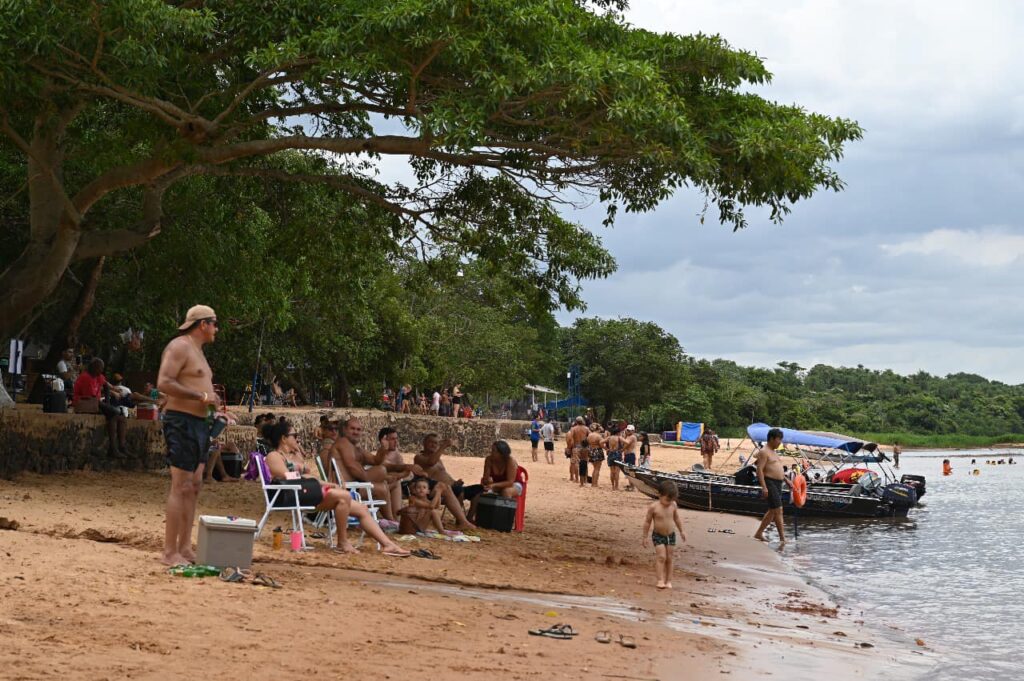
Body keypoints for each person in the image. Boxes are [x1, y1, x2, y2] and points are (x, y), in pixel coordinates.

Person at [262, 419, 409, 556]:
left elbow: (307, 478)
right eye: (294, 435)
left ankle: (388, 544)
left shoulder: (295, 457)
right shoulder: (274, 456)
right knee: (344, 496)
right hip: (290, 495)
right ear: (283, 439)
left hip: (306, 493)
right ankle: (342, 542)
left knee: (361, 509)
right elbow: (287, 477)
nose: (298, 438)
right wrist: (300, 469)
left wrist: (328, 484)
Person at [156, 305, 222, 566]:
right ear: (203, 324)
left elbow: (198, 386)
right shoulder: (180, 346)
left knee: (194, 486)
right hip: (180, 421)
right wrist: (199, 396)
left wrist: (212, 405)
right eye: (215, 323)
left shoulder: (199, 353)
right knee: (180, 485)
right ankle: (169, 551)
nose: (217, 329)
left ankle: (184, 547)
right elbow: (164, 382)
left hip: (200, 422)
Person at [330, 417, 399, 521]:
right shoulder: (343, 442)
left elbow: (376, 461)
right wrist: (370, 479)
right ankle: (390, 520)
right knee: (382, 487)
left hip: (353, 486)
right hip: (345, 489)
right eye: (352, 429)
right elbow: (352, 468)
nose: (356, 432)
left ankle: (391, 519)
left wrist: (383, 449)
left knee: (382, 474)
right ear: (344, 430)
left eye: (358, 429)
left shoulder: (354, 447)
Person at [412, 434, 477, 530]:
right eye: (431, 442)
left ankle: (468, 518)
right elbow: (431, 462)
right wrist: (443, 446)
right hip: (435, 489)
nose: (434, 445)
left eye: (436, 443)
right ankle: (462, 521)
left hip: (451, 486)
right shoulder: (419, 457)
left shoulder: (438, 459)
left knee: (478, 489)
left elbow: (444, 474)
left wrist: (455, 482)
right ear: (424, 443)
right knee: (458, 491)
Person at [73, 358, 128, 456]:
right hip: (86, 403)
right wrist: (107, 405)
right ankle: (113, 448)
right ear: (94, 368)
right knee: (114, 413)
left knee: (122, 418)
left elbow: (106, 384)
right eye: (100, 368)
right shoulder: (86, 378)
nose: (101, 371)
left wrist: (113, 391)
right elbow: (91, 398)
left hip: (95, 402)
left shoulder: (97, 376)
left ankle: (122, 446)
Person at [642, 480, 687, 589]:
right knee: (661, 557)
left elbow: (676, 518)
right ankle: (660, 580)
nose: (669, 502)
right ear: (659, 495)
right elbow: (647, 522)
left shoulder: (673, 505)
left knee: (670, 558)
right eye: (667, 499)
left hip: (671, 535)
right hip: (658, 535)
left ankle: (669, 581)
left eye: (671, 500)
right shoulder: (654, 507)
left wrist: (682, 531)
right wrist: (645, 536)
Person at [465, 440, 522, 523]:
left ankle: (503, 520)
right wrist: (487, 481)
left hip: (514, 484)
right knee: (480, 492)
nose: (491, 452)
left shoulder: (510, 461)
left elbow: (510, 482)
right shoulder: (489, 460)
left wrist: (494, 485)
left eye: (494, 451)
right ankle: (470, 517)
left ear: (501, 453)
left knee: (506, 491)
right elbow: (485, 478)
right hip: (495, 484)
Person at [752, 428, 786, 546]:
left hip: (778, 483)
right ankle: (783, 539)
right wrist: (764, 487)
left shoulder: (774, 452)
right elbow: (759, 470)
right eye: (778, 439)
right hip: (769, 482)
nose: (780, 442)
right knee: (778, 510)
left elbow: (778, 468)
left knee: (772, 511)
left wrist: (787, 480)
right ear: (772, 439)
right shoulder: (764, 451)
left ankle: (759, 533)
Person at [586, 423, 605, 487]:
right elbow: (602, 444)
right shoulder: (598, 436)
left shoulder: (589, 435)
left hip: (591, 451)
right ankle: (595, 483)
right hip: (597, 451)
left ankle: (593, 483)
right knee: (597, 469)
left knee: (595, 468)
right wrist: (607, 448)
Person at [604, 426, 623, 491]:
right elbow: (627, 443)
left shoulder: (609, 438)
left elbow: (601, 442)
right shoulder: (619, 437)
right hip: (617, 453)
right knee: (617, 471)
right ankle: (616, 486)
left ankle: (612, 486)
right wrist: (622, 449)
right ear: (618, 432)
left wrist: (606, 449)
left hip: (610, 453)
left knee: (612, 471)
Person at [620, 425, 638, 490]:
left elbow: (627, 443)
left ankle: (632, 486)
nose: (628, 431)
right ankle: (631, 485)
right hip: (628, 455)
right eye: (627, 430)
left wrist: (620, 437)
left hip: (630, 455)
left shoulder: (632, 437)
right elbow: (625, 445)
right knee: (628, 471)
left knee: (630, 471)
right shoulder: (628, 436)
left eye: (629, 430)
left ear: (633, 431)